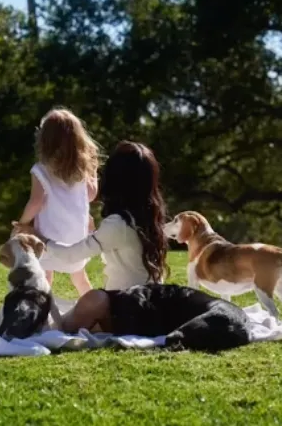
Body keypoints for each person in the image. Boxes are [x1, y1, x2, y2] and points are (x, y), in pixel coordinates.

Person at [12, 140, 171, 332]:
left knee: (92, 300)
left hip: (126, 311)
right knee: (90, 300)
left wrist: (39, 237)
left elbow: (71, 255)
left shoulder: (119, 223)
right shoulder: (151, 218)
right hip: (152, 307)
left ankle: (54, 326)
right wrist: (95, 233)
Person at [14, 108, 100, 296]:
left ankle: (41, 311)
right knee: (79, 277)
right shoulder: (82, 169)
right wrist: (93, 173)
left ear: (45, 140)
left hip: (48, 235)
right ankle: (98, 312)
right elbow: (91, 195)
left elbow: (36, 202)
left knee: (45, 276)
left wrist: (22, 223)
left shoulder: (40, 170)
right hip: (77, 235)